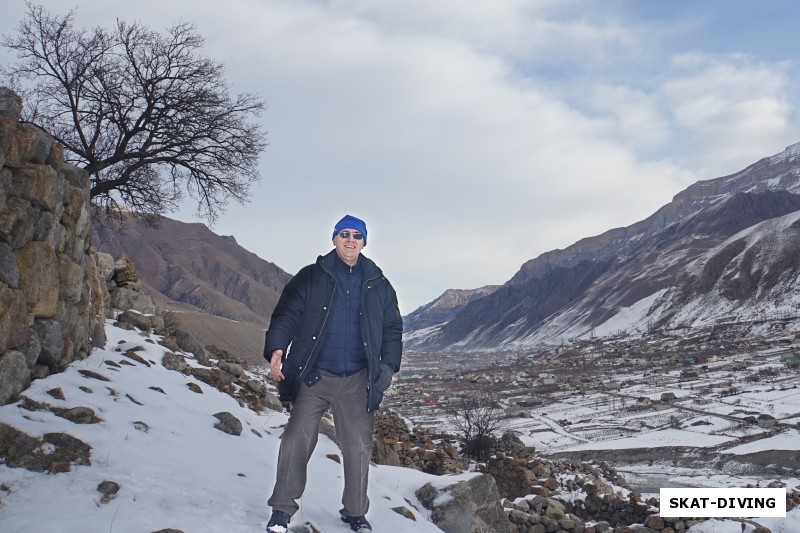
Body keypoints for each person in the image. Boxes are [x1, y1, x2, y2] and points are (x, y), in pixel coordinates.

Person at [264, 214, 403, 533]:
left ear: (365, 241)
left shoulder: (379, 284)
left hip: (357, 379)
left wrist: (387, 366)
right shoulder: (311, 277)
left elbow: (393, 328)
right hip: (315, 375)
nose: (350, 239)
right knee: (295, 439)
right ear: (334, 239)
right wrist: (276, 348)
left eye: (357, 234)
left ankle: (355, 512)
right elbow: (286, 314)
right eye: (344, 233)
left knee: (358, 446)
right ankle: (282, 510)